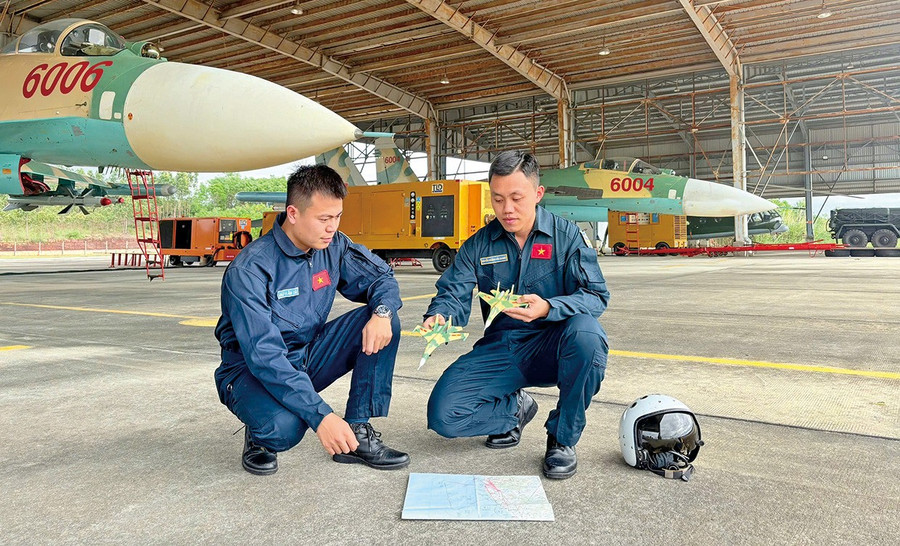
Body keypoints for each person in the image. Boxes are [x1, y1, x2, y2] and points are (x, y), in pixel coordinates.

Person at [423, 150, 610, 479]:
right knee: (444, 415)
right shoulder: (479, 244)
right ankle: (515, 410)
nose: (506, 209)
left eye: (516, 198)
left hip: (555, 344)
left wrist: (551, 307)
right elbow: (453, 290)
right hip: (503, 348)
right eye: (497, 199)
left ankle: (562, 439)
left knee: (588, 336)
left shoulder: (567, 238)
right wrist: (441, 315)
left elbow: (596, 296)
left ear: (538, 194)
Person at [214, 164, 409, 475]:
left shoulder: (334, 246)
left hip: (306, 355)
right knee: (285, 429)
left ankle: (357, 433)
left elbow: (381, 278)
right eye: (323, 219)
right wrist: (322, 416)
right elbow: (264, 356)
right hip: (250, 369)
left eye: (337, 217)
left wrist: (382, 313)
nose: (332, 227)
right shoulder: (250, 269)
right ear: (293, 213)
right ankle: (260, 433)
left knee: (384, 321)